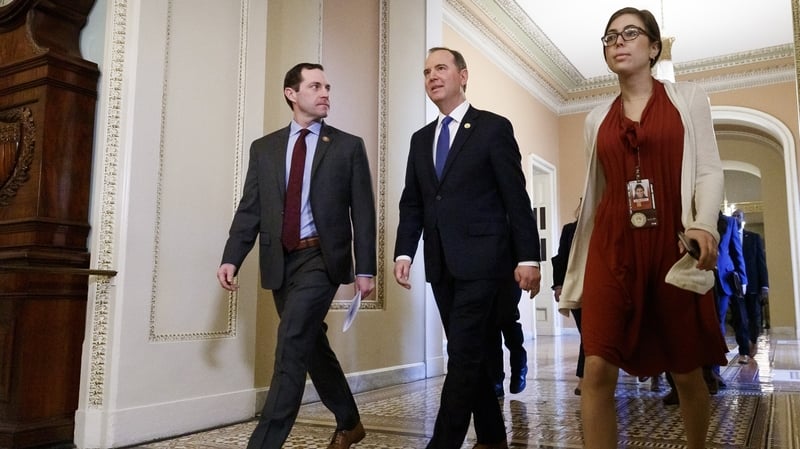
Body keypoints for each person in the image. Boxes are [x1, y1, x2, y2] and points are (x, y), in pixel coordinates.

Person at [557, 8, 727, 449]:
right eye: (610, 35)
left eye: (630, 33)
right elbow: (596, 193)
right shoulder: (595, 119)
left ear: (653, 48)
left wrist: (704, 224)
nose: (618, 41)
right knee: (596, 366)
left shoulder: (688, 99)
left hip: (672, 244)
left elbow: (708, 169)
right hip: (612, 245)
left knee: (687, 368)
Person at [216, 62, 376, 449]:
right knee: (309, 343)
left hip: (321, 258)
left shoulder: (347, 146)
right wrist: (232, 256)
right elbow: (250, 207)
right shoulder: (265, 148)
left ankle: (264, 443)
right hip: (280, 261)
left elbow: (364, 211)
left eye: (327, 87)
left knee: (290, 341)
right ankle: (350, 422)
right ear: (292, 93)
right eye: (316, 86)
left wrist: (366, 268)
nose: (325, 94)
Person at [393, 47, 541, 449]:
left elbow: (516, 197)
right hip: (441, 263)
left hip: (485, 261)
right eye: (426, 72)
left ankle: (442, 443)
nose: (432, 77)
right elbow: (414, 201)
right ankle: (493, 437)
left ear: (463, 75)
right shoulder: (421, 140)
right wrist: (405, 251)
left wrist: (529, 257)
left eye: (440, 68)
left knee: (461, 356)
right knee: (467, 350)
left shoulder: (493, 128)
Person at [551, 200, 582, 395]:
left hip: (600, 286)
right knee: (587, 334)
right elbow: (561, 257)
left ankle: (584, 380)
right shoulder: (570, 230)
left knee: (590, 335)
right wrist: (558, 285)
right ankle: (584, 379)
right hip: (577, 288)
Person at [732, 208, 770, 357]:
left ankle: (753, 341)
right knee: (739, 317)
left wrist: (764, 285)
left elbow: (761, 263)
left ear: (743, 219)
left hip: (753, 284)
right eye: (734, 216)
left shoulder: (754, 238)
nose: (736, 219)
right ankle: (744, 346)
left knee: (754, 316)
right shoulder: (728, 238)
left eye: (738, 216)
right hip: (736, 285)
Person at [490, 278, 528, 398]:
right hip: (482, 276)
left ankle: (519, 367)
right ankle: (496, 381)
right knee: (490, 327)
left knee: (508, 319)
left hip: (508, 273)